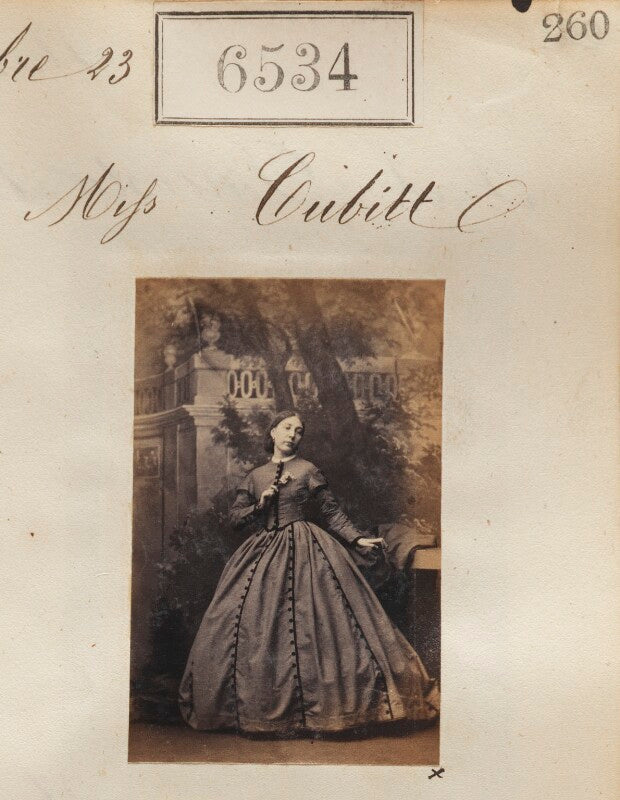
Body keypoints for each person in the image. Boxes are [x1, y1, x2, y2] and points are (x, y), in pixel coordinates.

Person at [178, 410, 439, 735]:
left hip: (309, 551)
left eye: (299, 430)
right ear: (273, 432)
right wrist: (261, 504)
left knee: (321, 625)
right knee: (247, 623)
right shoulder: (256, 476)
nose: (293, 434)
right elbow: (235, 519)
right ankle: (262, 710)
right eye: (287, 427)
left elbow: (331, 513)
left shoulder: (308, 470)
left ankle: (323, 712)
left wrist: (357, 538)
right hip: (261, 554)